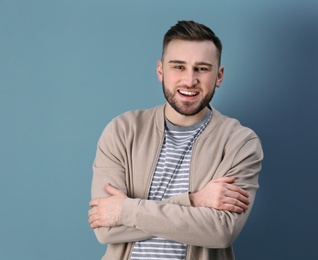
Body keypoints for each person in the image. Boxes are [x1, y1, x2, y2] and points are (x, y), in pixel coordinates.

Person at [88, 20, 264, 260]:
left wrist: (125, 210)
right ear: (160, 70)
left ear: (219, 76)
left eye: (202, 68)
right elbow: (105, 228)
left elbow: (220, 231)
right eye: (178, 67)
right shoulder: (122, 131)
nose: (190, 80)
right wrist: (194, 201)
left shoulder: (240, 142)